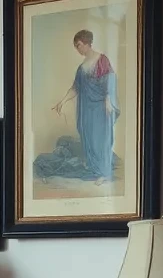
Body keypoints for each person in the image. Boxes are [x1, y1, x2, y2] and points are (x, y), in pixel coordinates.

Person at [51, 29, 119, 184]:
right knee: (88, 137)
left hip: (100, 107)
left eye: (79, 45)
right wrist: (62, 102)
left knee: (99, 139)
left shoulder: (102, 60)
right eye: (76, 46)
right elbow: (75, 88)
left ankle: (104, 172)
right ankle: (96, 169)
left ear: (87, 43)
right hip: (86, 109)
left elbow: (110, 80)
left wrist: (109, 99)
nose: (78, 48)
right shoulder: (81, 68)